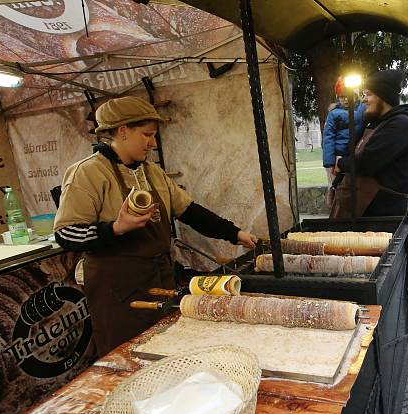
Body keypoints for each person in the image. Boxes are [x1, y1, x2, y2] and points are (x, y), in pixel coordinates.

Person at [54, 96, 257, 357]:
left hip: (158, 278)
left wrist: (235, 234)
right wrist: (115, 228)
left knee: (165, 349)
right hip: (118, 290)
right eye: (147, 135)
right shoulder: (88, 173)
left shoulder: (152, 172)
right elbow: (65, 233)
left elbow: (190, 211)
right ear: (122, 131)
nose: (152, 143)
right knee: (128, 357)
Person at [330, 69, 408, 218]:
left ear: (383, 97)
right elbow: (351, 150)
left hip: (384, 216)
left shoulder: (400, 125)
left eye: (368, 94)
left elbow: (367, 162)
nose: (364, 99)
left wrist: (341, 163)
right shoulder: (375, 124)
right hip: (364, 214)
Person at [322, 78, 365, 186]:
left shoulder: (362, 109)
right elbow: (328, 137)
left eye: (350, 96)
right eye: (342, 96)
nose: (346, 99)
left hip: (356, 151)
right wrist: (330, 161)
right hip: (340, 153)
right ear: (338, 97)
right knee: (339, 185)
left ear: (356, 96)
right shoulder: (334, 114)